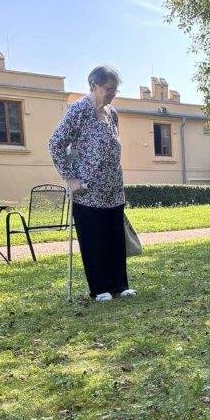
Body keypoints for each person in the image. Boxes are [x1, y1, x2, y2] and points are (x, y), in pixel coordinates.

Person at [49, 66, 135, 302]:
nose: (112, 94)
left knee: (115, 237)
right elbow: (56, 143)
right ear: (94, 86)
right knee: (93, 239)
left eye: (115, 89)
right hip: (87, 190)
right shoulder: (79, 110)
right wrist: (69, 177)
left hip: (113, 187)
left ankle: (120, 285)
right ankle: (100, 288)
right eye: (108, 89)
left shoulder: (112, 113)